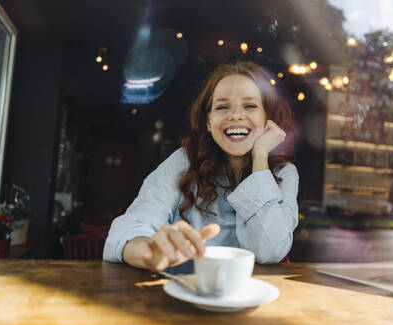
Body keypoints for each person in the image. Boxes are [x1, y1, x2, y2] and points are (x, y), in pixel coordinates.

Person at [103, 61, 299, 273]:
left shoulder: (284, 173)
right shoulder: (184, 161)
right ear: (208, 122)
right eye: (222, 107)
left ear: (267, 119)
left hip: (253, 297)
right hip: (183, 294)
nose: (235, 115)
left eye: (250, 106)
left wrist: (260, 156)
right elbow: (131, 227)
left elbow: (270, 251)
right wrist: (149, 252)